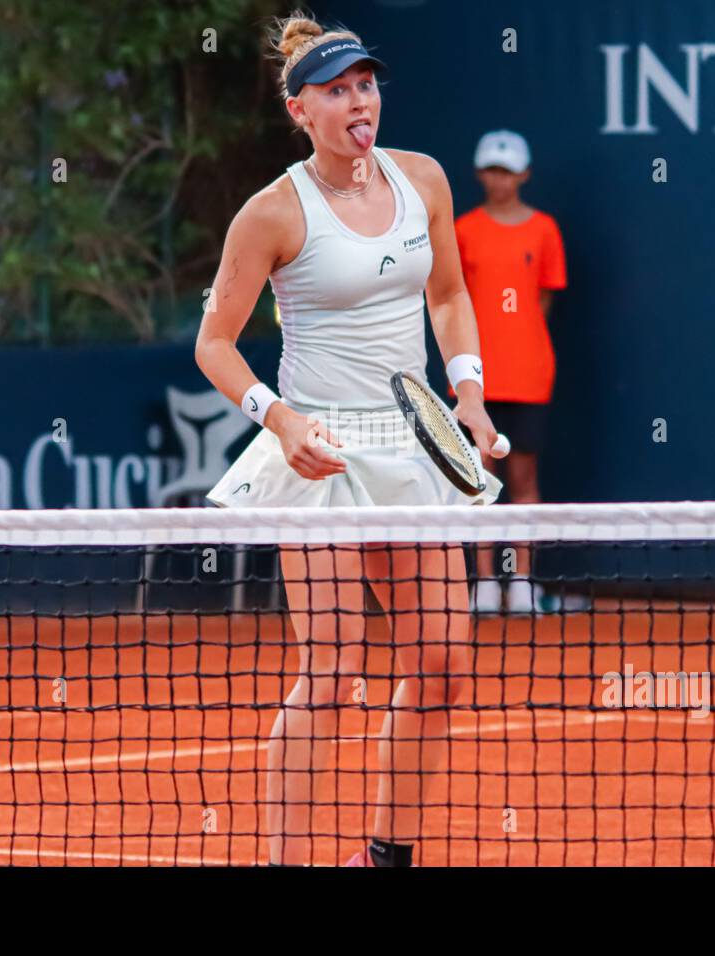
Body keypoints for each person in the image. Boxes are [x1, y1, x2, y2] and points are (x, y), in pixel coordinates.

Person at [194, 10, 505, 868]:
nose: (359, 101)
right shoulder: (270, 214)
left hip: (412, 444)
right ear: (302, 111)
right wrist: (281, 419)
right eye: (337, 91)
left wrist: (469, 396)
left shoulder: (425, 181)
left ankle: (384, 857)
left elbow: (446, 295)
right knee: (332, 674)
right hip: (320, 446)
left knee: (442, 663)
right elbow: (212, 344)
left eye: (366, 84)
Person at [455, 130, 568, 614]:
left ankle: (520, 580)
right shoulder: (461, 230)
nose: (498, 179)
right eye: (491, 169)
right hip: (475, 383)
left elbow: (543, 299)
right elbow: (451, 303)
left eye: (507, 170)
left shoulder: (544, 230)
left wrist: (514, 339)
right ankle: (484, 583)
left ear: (523, 175)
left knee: (523, 478)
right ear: (480, 174)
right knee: (480, 480)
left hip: (528, 374)